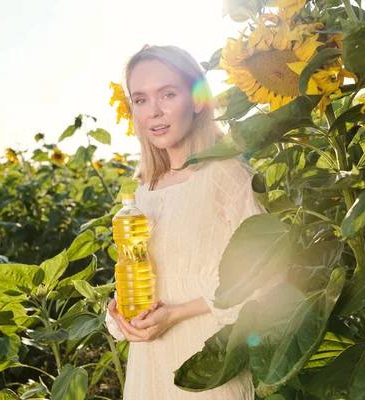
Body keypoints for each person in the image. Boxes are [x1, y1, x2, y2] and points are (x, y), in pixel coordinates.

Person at [105, 44, 267, 399]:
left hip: (206, 364)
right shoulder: (143, 190)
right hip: (149, 368)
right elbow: (139, 273)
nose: (154, 112)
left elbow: (266, 280)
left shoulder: (227, 175)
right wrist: (122, 313)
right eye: (141, 99)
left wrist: (178, 313)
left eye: (167, 94)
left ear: (197, 100)